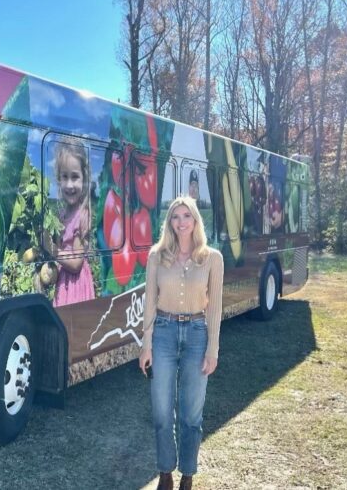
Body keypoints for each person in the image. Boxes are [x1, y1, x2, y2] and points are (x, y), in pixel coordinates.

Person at [139, 195, 224, 490]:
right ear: (169, 222)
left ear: (196, 220)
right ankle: (165, 472)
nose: (181, 222)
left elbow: (214, 307)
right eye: (175, 216)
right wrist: (146, 344)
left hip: (198, 335)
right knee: (162, 410)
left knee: (191, 413)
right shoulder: (156, 256)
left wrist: (213, 348)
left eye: (187, 216)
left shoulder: (212, 258)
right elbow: (150, 302)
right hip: (162, 332)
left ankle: (188, 474)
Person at [43, 141, 94, 306]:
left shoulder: (82, 215)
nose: (69, 185)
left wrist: (52, 250)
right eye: (65, 177)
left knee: (74, 326)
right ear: (58, 179)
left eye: (75, 177)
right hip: (63, 281)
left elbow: (75, 263)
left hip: (76, 285)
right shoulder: (61, 214)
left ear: (84, 178)